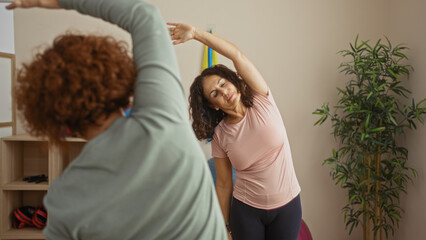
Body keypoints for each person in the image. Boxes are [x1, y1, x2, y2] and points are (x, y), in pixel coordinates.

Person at [6, 1, 227, 239]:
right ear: (117, 81)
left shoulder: (63, 199)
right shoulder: (162, 116)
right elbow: (144, 14)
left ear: (62, 128)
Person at [169, 22, 302, 240]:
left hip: (287, 206)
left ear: (232, 81)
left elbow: (237, 56)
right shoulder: (220, 135)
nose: (223, 91)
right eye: (215, 93)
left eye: (223, 83)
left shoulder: (261, 99)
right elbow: (223, 184)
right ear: (214, 105)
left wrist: (195, 34)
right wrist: (224, 227)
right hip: (247, 212)